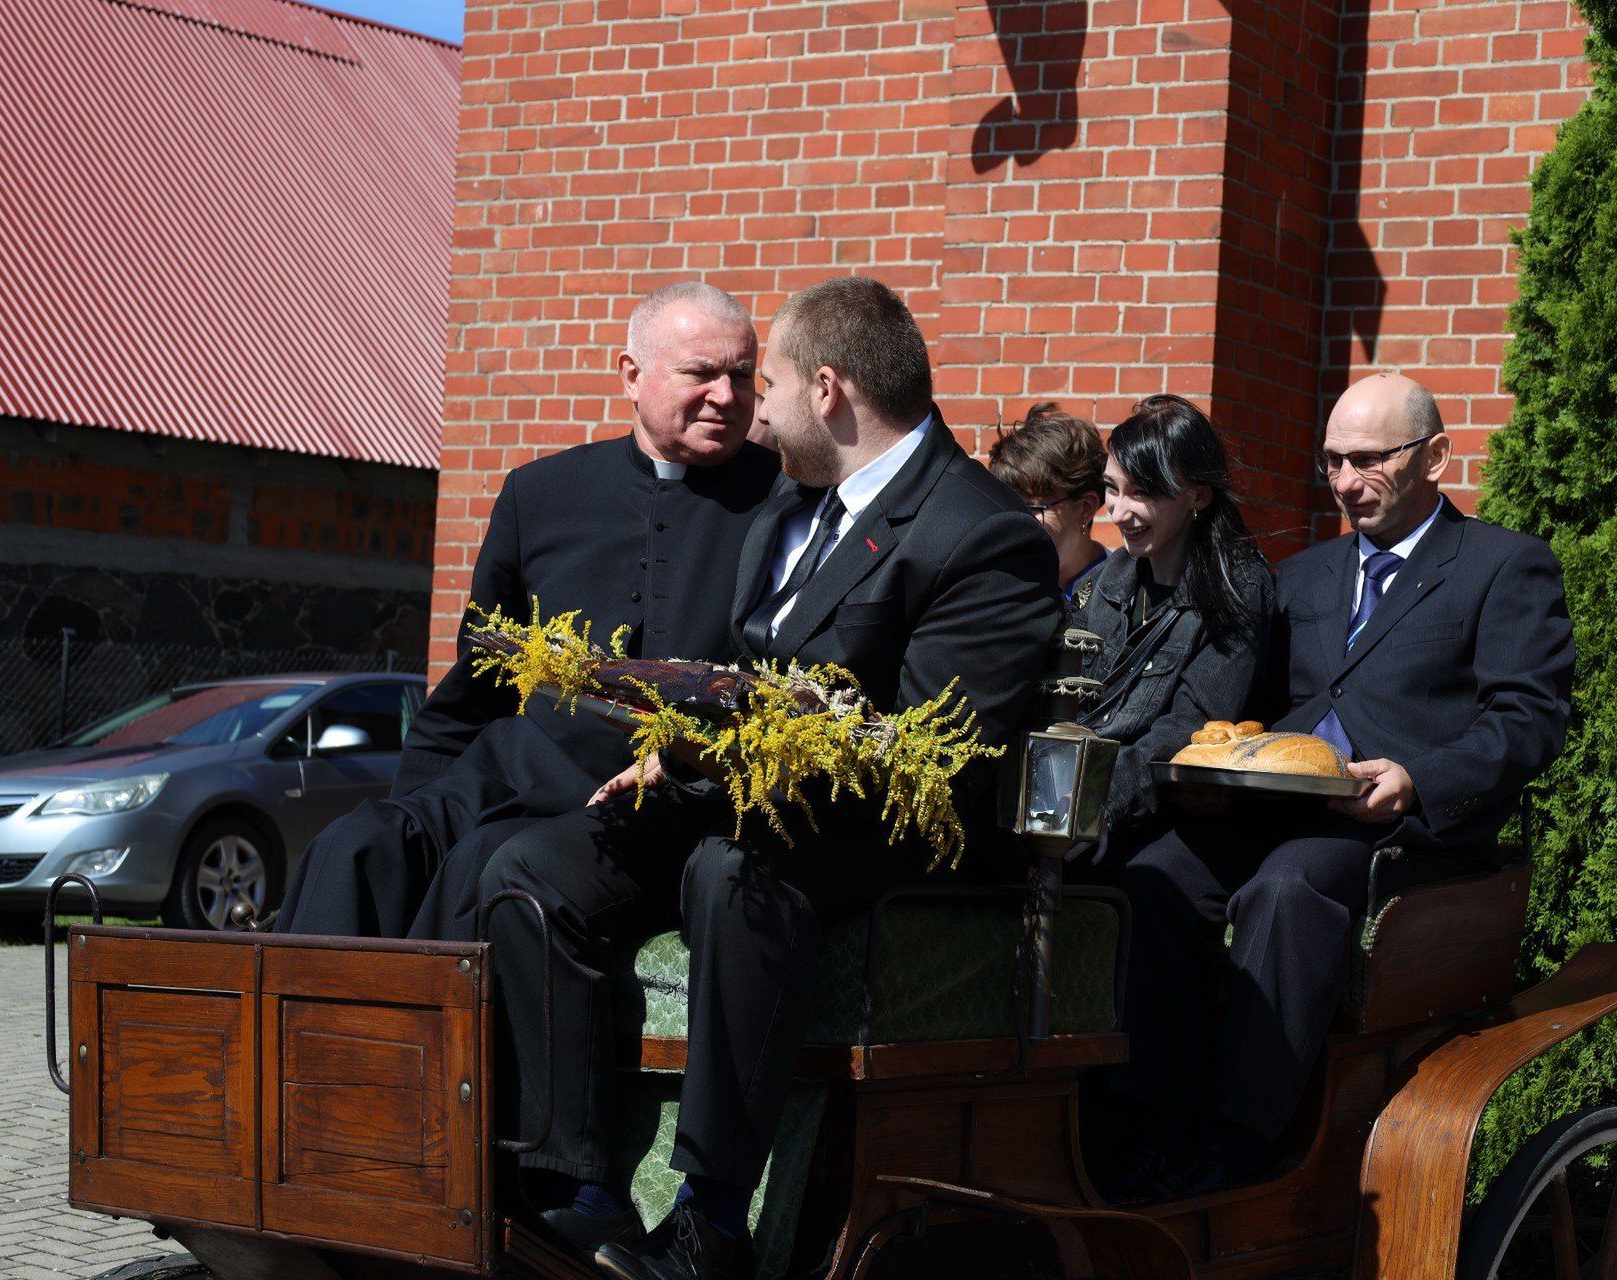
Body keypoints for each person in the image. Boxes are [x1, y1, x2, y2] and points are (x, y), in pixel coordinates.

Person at [471, 276, 1060, 1280]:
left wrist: (725, 750)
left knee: (727, 873)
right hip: (736, 796)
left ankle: (710, 1219)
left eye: (769, 381)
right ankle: (575, 1183)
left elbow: (925, 753)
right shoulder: (791, 505)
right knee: (530, 869)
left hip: (877, 835)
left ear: (828, 388)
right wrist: (679, 731)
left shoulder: (980, 531)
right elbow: (750, 674)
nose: (754, 406)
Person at [1113, 372, 1574, 1199]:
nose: (1344, 483)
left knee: (1289, 889)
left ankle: (1237, 1146)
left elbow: (1530, 719)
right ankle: (1150, 1126)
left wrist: (1419, 779)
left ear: (1434, 455)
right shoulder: (1303, 575)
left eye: (1367, 460)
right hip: (1280, 806)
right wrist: (1216, 775)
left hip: (1401, 834)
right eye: (1331, 462)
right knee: (1156, 876)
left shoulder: (1505, 566)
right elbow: (1256, 706)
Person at [271, 282, 783, 939]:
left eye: (742, 375)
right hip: (515, 770)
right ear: (631, 375)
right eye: (701, 373)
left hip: (651, 796)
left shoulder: (789, 505)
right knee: (362, 844)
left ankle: (428, 1042)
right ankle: (307, 1040)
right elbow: (479, 680)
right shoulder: (541, 492)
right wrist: (412, 801)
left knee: (485, 865)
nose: (726, 394)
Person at [1056, 396, 1272, 1156]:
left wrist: (1097, 812)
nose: (1121, 511)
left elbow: (1188, 729)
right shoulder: (1110, 581)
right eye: (1114, 490)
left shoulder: (1236, 585)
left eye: (1143, 493)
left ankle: (1153, 1124)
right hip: (1096, 800)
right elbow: (1067, 700)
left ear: (1199, 495)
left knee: (1143, 889)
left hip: (1201, 813)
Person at [987, 403, 1109, 601]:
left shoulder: (1126, 596)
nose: (1016, 521)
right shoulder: (994, 587)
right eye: (1008, 507)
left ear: (1085, 508)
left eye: (1032, 508)